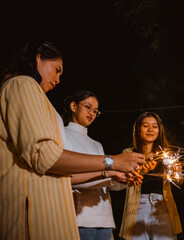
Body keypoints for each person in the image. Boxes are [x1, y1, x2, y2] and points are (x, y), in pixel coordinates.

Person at [0, 40, 145, 240]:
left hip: (53, 217)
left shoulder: (41, 100)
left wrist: (113, 173)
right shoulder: (22, 84)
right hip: (30, 214)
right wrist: (113, 161)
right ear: (38, 58)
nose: (58, 79)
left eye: (96, 110)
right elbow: (44, 155)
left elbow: (63, 172)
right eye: (57, 70)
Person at [62, 90, 142, 240]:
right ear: (73, 106)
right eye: (88, 107)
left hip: (104, 219)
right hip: (80, 217)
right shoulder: (63, 135)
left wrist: (123, 179)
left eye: (95, 111)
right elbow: (68, 178)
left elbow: (105, 186)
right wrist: (109, 173)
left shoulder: (97, 144)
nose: (92, 113)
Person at [118, 112, 182, 240]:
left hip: (163, 207)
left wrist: (177, 172)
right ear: (138, 129)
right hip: (137, 207)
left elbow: (178, 182)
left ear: (159, 130)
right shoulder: (128, 153)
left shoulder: (166, 155)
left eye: (155, 126)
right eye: (145, 126)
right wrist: (142, 171)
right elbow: (121, 180)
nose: (150, 129)